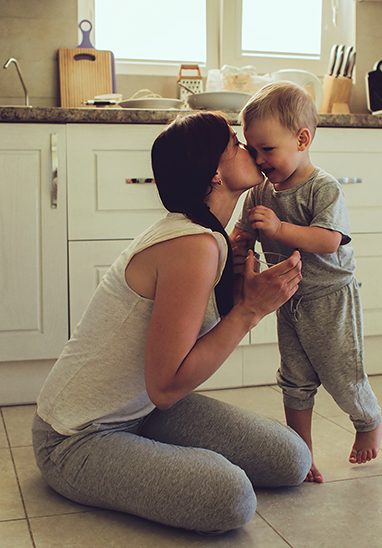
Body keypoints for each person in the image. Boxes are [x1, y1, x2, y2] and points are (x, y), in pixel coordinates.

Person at [32, 111, 311, 534]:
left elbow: (167, 381)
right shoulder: (191, 245)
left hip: (143, 411)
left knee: (292, 459)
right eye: (235, 143)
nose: (248, 146)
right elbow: (166, 386)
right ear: (215, 172)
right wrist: (249, 310)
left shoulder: (207, 236)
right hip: (75, 436)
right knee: (231, 498)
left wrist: (239, 292)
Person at [231, 81, 382, 484]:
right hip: (290, 299)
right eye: (253, 150)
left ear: (302, 139)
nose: (259, 160)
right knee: (294, 379)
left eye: (268, 149)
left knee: (341, 374)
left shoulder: (323, 188)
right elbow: (245, 234)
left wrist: (280, 227)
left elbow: (329, 241)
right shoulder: (259, 192)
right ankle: (301, 453)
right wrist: (239, 242)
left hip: (331, 298)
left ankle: (367, 419)